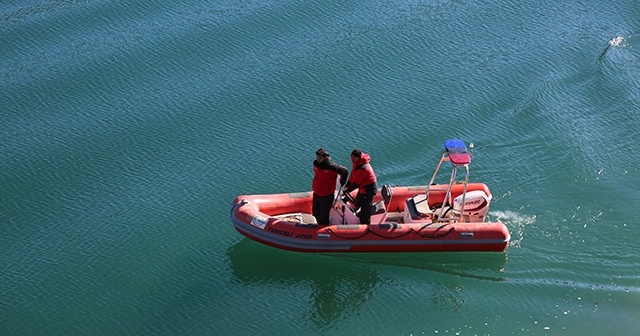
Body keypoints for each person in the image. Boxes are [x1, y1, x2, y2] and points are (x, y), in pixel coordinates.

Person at [312, 148, 348, 225]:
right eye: (317, 157)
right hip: (317, 191)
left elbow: (344, 171)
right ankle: (316, 225)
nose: (318, 160)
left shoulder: (331, 167)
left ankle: (324, 229)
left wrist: (342, 182)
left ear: (325, 158)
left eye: (320, 158)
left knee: (323, 215)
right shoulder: (316, 164)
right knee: (315, 212)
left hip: (326, 194)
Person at [344, 149, 378, 224]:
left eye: (354, 157)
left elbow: (356, 183)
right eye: (351, 157)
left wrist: (348, 190)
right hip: (363, 189)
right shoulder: (357, 164)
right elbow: (352, 176)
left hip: (369, 190)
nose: (352, 159)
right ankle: (355, 218)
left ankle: (365, 226)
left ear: (359, 158)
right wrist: (347, 185)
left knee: (365, 211)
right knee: (357, 203)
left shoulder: (362, 168)